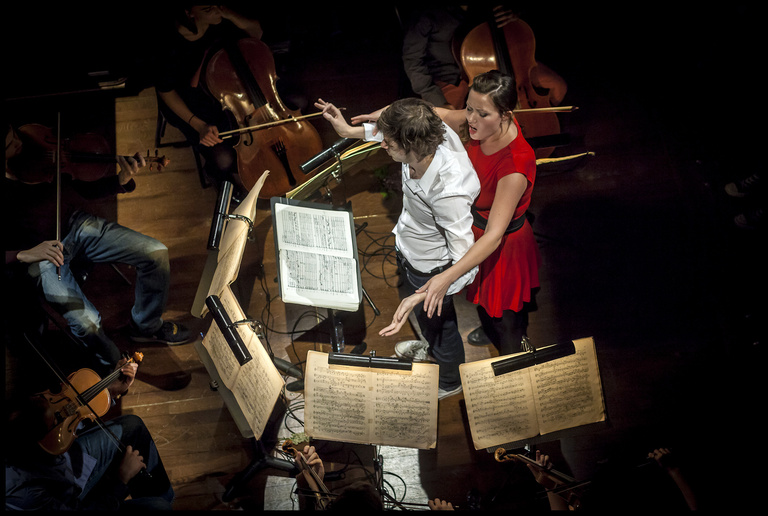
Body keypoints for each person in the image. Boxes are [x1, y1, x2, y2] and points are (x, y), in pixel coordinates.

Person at [315, 97, 480, 399]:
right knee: (429, 324)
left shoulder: (449, 192)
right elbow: (418, 111)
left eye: (389, 143)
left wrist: (428, 293)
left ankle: (449, 379)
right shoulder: (425, 132)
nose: (383, 146)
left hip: (431, 267)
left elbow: (468, 262)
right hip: (410, 246)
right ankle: (430, 345)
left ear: (411, 146)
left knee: (440, 327)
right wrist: (348, 132)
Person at [370, 70, 541, 357]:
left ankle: (513, 365)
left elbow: (494, 236)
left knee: (505, 321)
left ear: (505, 115)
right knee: (485, 310)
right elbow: (441, 115)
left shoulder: (515, 165)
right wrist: (383, 119)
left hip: (500, 248)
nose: (470, 119)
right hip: (474, 231)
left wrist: (445, 277)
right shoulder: (481, 123)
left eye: (481, 113)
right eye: (470, 108)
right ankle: (489, 328)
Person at [4, 124, 191, 380]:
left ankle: (145, 326)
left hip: (75, 225)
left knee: (156, 253)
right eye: (9, 145)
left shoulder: (32, 142)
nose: (19, 144)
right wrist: (25, 254)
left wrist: (120, 180)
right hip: (41, 257)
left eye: (14, 135)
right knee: (87, 322)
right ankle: (114, 365)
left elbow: (79, 187)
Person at [5, 356, 174, 510]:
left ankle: (165, 496)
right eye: (56, 421)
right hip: (68, 491)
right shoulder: (27, 494)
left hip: (64, 459)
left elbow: (66, 417)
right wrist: (121, 479)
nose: (60, 412)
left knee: (133, 426)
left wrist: (109, 391)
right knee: (159, 508)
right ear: (37, 443)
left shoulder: (23, 430)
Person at [153, 4, 264, 193]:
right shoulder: (168, 44)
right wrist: (199, 126)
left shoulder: (219, 21)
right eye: (207, 9)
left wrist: (230, 13)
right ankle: (214, 174)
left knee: (297, 100)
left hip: (226, 90)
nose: (216, 11)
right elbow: (166, 91)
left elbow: (257, 35)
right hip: (188, 103)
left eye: (217, 5)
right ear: (188, 13)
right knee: (223, 159)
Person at [401, 6, 566, 111]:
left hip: (499, 64)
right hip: (451, 77)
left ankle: (539, 125)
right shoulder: (426, 15)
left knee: (558, 87)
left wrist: (516, 13)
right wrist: (435, 97)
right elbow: (413, 61)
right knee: (452, 124)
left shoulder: (484, 6)